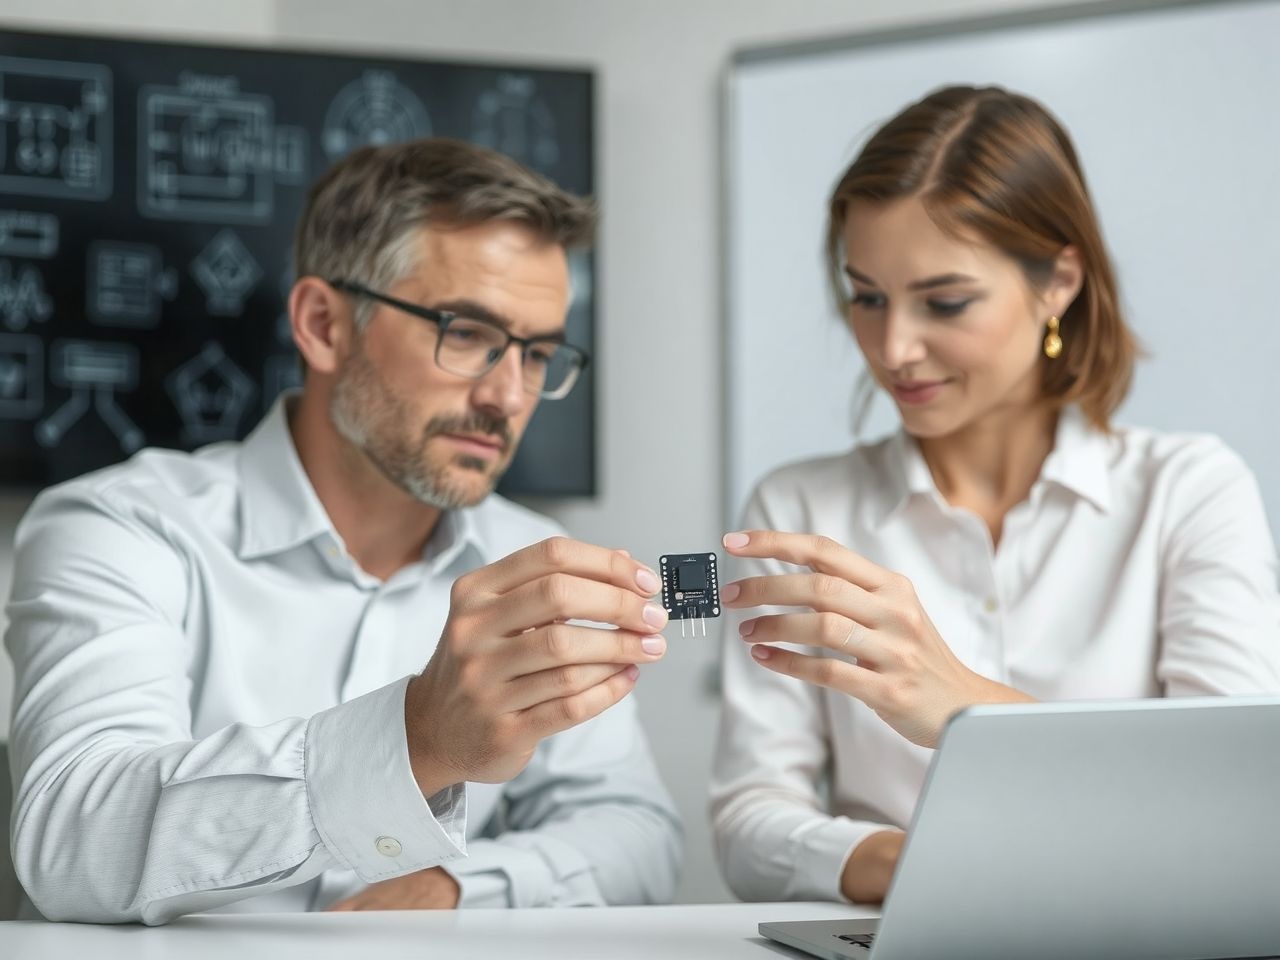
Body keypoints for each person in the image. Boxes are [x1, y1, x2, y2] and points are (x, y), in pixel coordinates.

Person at [6, 138, 681, 924]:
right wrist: (416, 740)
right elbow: (75, 838)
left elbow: (638, 833)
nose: (508, 394)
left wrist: (458, 888)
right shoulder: (121, 527)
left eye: (538, 353)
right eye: (465, 333)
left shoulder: (530, 560)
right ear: (324, 324)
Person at [710, 85, 1280, 906]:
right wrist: (923, 868)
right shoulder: (799, 508)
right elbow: (748, 820)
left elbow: (1232, 804)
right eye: (866, 297)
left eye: (945, 302)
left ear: (1059, 281)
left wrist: (963, 707)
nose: (893, 348)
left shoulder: (1191, 491)